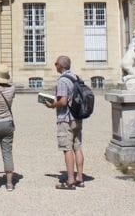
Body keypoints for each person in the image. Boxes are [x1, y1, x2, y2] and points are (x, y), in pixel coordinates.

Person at [44, 55, 84, 189]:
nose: (55, 65)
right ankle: (80, 178)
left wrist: (52, 105)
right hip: (77, 117)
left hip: (66, 118)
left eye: (56, 64)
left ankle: (70, 180)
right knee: (77, 147)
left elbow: (63, 102)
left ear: (60, 66)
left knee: (67, 149)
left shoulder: (62, 81)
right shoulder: (76, 77)